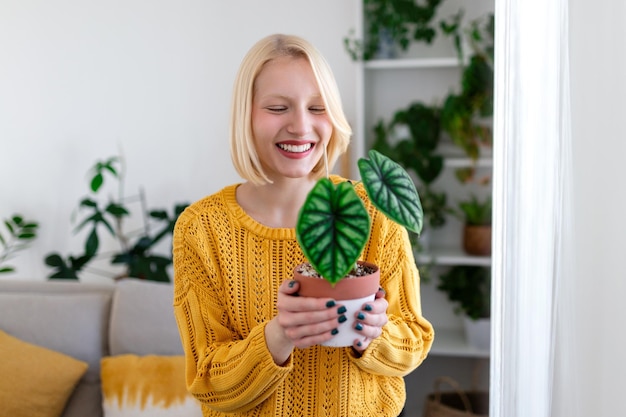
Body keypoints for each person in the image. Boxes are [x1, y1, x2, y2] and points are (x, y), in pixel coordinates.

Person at [172, 33, 434, 417]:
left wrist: (373, 333)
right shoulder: (202, 229)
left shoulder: (372, 211)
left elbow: (413, 342)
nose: (300, 126)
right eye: (278, 108)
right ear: (245, 115)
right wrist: (279, 336)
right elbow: (208, 383)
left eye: (317, 107)